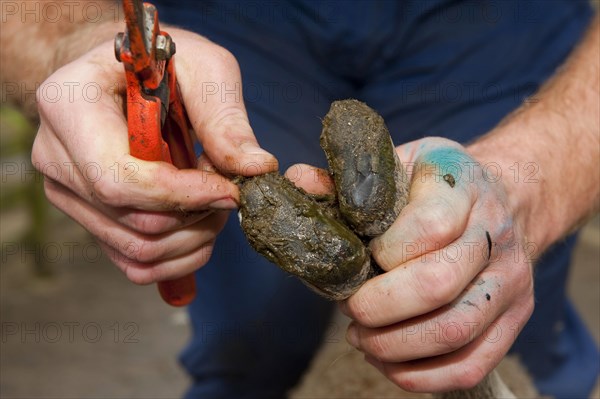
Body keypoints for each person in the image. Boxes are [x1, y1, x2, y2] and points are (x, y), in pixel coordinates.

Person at [2, 0, 598, 398]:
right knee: (249, 345)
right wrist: (68, 44)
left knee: (483, 309)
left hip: (500, 20)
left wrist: (533, 181)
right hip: (227, 22)